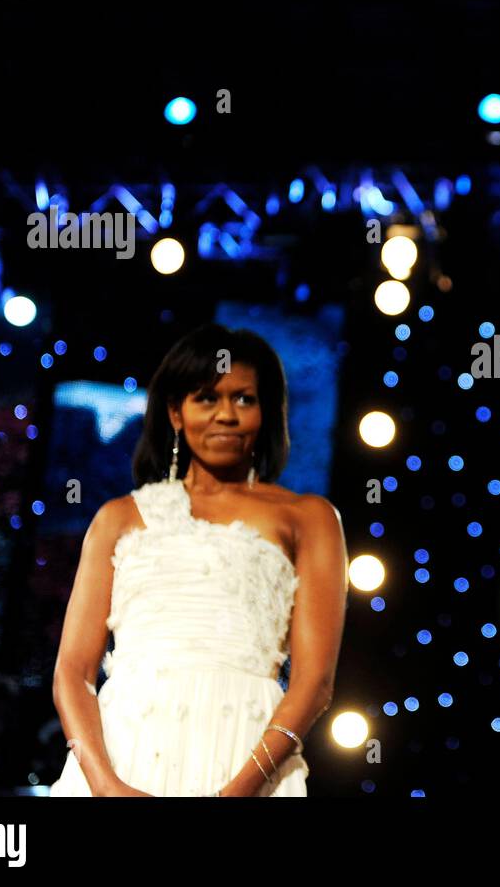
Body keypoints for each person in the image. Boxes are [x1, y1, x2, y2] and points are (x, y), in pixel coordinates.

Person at [50, 323, 348, 796]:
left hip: (246, 758)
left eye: (244, 399)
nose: (226, 415)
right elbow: (72, 671)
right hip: (122, 755)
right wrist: (106, 786)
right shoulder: (118, 517)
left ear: (266, 411)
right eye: (207, 398)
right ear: (175, 411)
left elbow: (314, 685)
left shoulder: (308, 518)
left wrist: (237, 791)